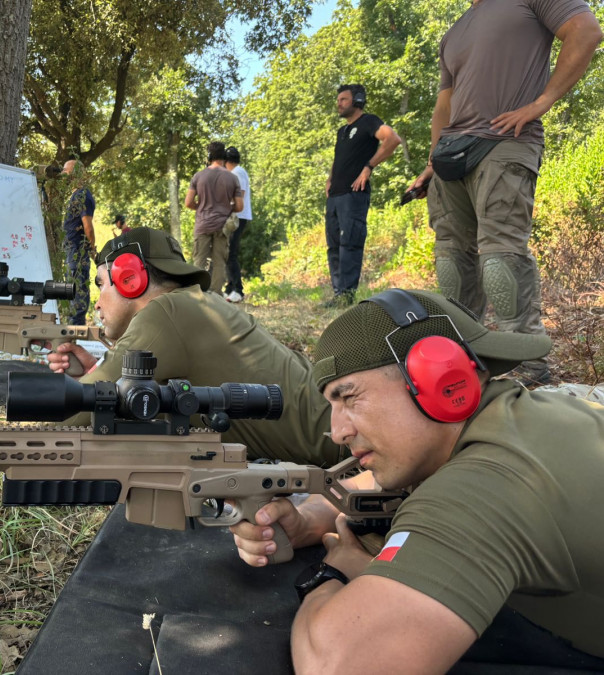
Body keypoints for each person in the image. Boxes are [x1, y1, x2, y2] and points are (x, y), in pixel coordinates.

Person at [231, 288, 604, 672]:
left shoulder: (482, 488)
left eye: (349, 398)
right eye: (331, 406)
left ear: (440, 377)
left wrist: (333, 572)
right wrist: (309, 520)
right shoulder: (526, 417)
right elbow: (370, 485)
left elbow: (338, 665)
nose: (337, 431)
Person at [407, 2, 602, 385]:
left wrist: (540, 104)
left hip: (505, 142)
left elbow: (586, 31)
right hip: (451, 156)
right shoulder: (455, 30)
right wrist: (432, 162)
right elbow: (444, 104)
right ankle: (465, 360)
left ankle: (531, 366)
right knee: (451, 262)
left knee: (501, 259)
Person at [46, 226, 341, 466]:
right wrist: (97, 374)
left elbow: (68, 424)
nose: (97, 302)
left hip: (345, 446)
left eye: (101, 284)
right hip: (337, 426)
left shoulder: (165, 314)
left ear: (129, 278)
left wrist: (84, 392)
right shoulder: (197, 302)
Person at [324, 84, 400, 307]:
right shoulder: (342, 131)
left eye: (344, 99)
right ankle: (338, 294)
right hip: (335, 195)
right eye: (338, 99)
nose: (339, 103)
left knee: (350, 242)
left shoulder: (369, 121)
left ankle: (347, 295)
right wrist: (329, 179)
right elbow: (339, 158)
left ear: (357, 100)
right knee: (334, 245)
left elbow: (393, 139)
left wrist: (368, 167)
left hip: (354, 195)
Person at [185, 141, 243, 297]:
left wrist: (202, 206)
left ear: (209, 157)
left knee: (199, 262)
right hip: (222, 226)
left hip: (202, 225)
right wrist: (224, 207)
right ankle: (216, 297)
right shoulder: (232, 178)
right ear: (223, 157)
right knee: (219, 263)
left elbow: (188, 202)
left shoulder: (198, 176)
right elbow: (239, 206)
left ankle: (197, 297)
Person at [61, 159, 96, 325]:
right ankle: (72, 324)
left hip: (78, 250)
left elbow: (87, 227)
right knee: (71, 287)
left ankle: (76, 327)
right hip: (72, 250)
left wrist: (92, 249)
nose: (63, 174)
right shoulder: (76, 195)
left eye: (66, 170)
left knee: (77, 288)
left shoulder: (83, 195)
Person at [224, 146, 251, 303]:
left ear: (228, 162)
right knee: (228, 253)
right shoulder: (238, 172)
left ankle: (238, 290)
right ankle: (229, 288)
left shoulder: (237, 173)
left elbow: (240, 195)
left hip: (238, 217)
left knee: (231, 254)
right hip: (237, 216)